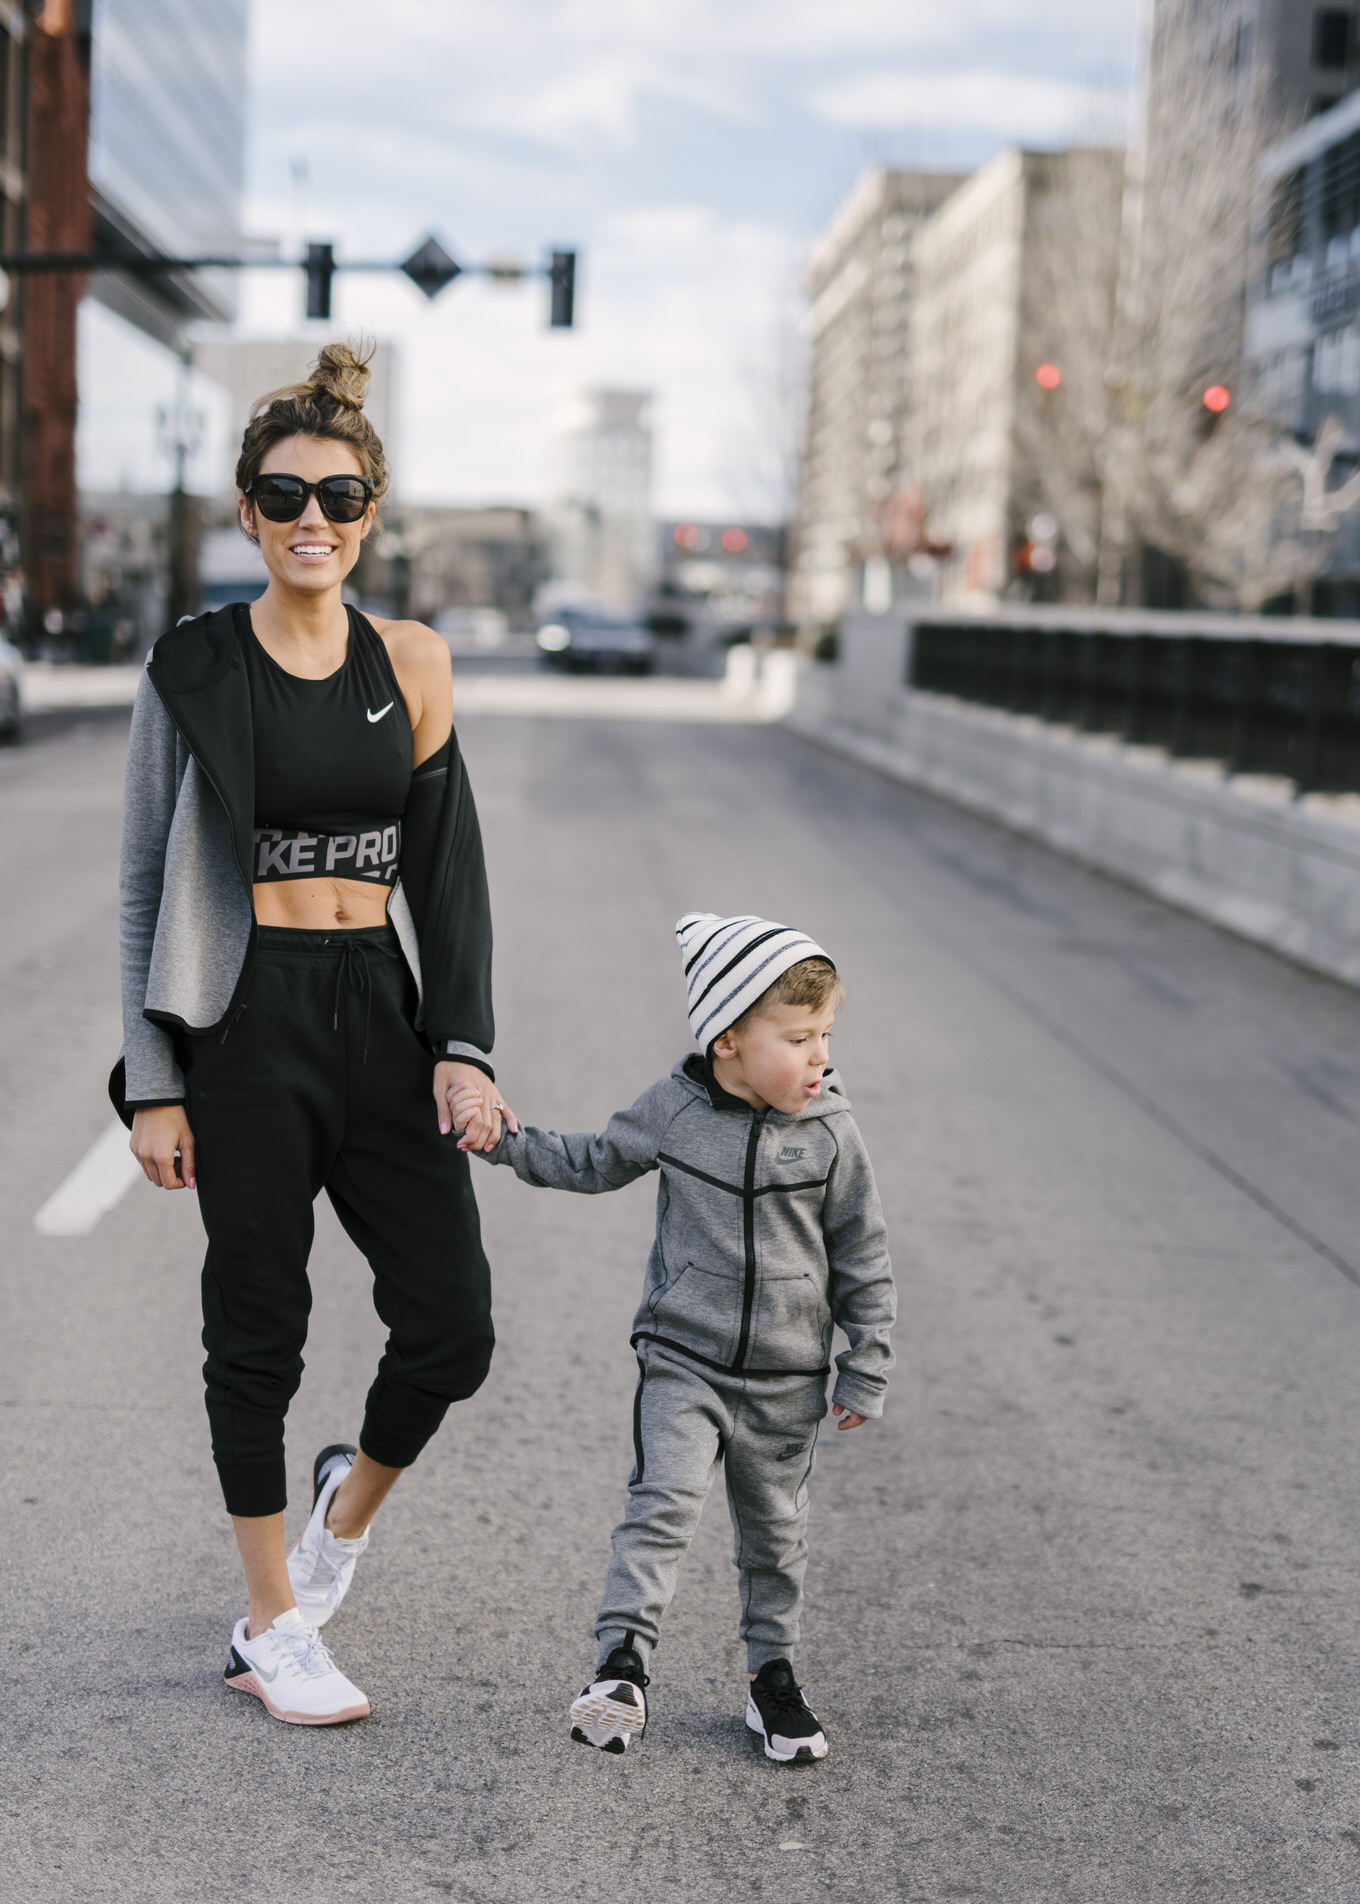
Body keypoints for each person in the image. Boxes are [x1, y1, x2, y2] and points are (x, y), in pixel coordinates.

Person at [112, 342, 513, 1727]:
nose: (311, 523)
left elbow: (450, 873)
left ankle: (343, 1516)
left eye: (338, 499)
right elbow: (139, 885)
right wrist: (153, 1083)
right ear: (246, 512)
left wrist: (462, 1044)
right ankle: (274, 1619)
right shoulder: (193, 667)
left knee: (452, 1325)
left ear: (371, 516)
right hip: (247, 1020)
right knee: (257, 1329)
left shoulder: (414, 662)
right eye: (283, 498)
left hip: (378, 1013)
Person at [450, 911, 895, 1761]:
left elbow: (863, 1256)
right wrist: (501, 1140)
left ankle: (774, 1681)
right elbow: (592, 1160)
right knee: (661, 1508)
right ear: (728, 1039)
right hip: (682, 1361)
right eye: (798, 1038)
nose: (821, 1057)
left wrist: (865, 1365)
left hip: (789, 1379)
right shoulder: (676, 1111)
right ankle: (622, 1668)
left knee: (775, 1536)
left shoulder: (834, 1134)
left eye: (826, 1035)